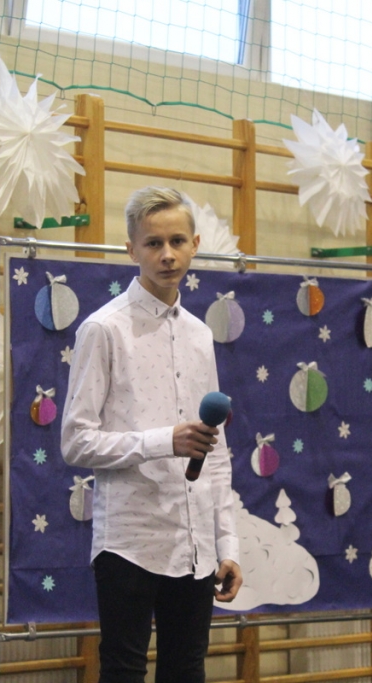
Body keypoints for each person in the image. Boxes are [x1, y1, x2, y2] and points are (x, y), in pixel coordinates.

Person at [61, 186, 242, 683]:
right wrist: (164, 441)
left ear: (195, 245)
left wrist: (227, 543)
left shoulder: (200, 334)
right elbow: (75, 441)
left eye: (177, 241)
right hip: (130, 542)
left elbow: (216, 451)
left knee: (186, 671)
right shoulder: (103, 329)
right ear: (131, 249)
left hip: (195, 546)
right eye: (153, 243)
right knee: (123, 671)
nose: (167, 255)